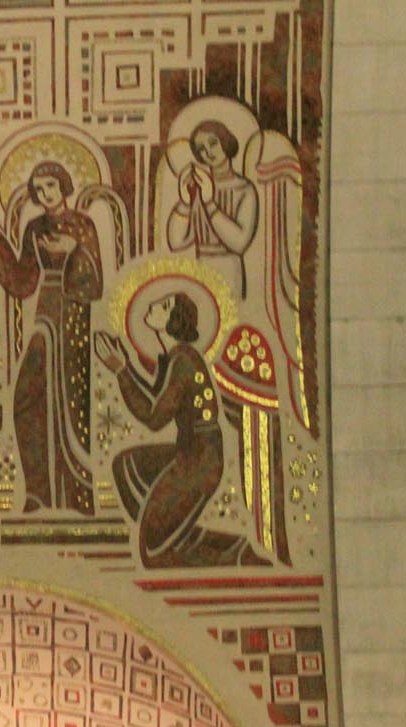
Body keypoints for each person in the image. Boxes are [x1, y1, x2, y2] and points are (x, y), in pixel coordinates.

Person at [0, 163, 102, 515]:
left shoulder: (83, 225)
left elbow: (94, 285)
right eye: (38, 189)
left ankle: (77, 496)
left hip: (72, 316)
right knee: (28, 398)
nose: (46, 194)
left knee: (70, 404)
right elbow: (23, 282)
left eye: (51, 185)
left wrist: (76, 251)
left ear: (65, 185)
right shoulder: (35, 227)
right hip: (45, 312)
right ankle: (39, 492)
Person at [93, 293, 267, 569]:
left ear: (175, 320)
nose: (152, 305)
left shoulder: (184, 361)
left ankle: (236, 554)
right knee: (126, 466)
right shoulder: (175, 358)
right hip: (187, 451)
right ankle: (173, 528)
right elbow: (154, 401)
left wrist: (121, 370)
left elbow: (153, 418)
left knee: (151, 555)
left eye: (163, 305)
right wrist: (126, 365)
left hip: (200, 461)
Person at [168, 120, 259, 299]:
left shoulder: (244, 189)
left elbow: (239, 242)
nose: (208, 152)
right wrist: (185, 202)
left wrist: (209, 203)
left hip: (230, 272)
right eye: (201, 148)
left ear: (225, 142)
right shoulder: (199, 188)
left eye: (213, 143)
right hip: (202, 270)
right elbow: (177, 242)